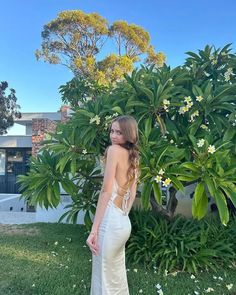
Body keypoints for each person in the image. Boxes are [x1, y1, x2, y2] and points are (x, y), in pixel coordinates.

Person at [86, 115, 140, 295]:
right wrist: (123, 213)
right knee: (116, 276)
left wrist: (93, 230)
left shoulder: (113, 151)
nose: (114, 136)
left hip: (110, 224)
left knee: (104, 279)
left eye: (119, 132)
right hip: (123, 222)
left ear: (128, 135)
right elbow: (132, 193)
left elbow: (106, 191)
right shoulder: (134, 157)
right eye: (112, 131)